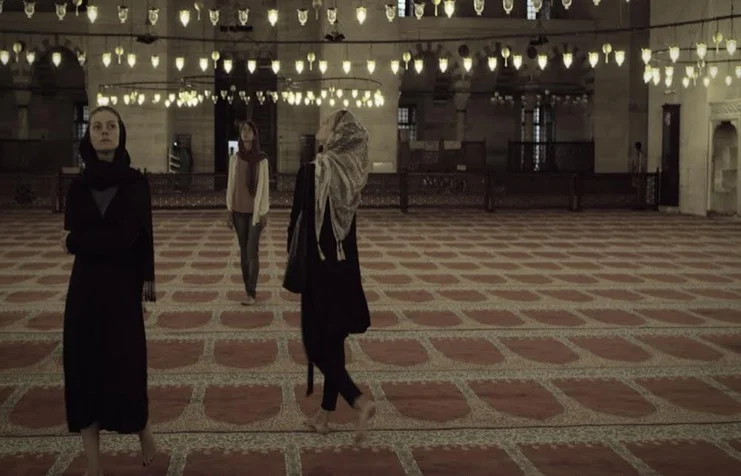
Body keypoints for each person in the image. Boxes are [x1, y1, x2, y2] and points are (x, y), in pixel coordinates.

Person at [61, 106, 158, 476]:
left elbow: (131, 238)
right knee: (83, 370)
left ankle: (143, 430)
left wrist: (77, 242)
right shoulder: (78, 186)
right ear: (89, 136)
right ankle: (94, 464)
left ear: (121, 133)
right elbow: (92, 234)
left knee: (127, 366)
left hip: (122, 290)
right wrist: (86, 240)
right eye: (97, 126)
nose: (104, 131)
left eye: (111, 126)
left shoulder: (136, 184)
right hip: (84, 291)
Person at [287, 109, 376, 442]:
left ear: (337, 135)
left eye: (327, 123)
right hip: (345, 269)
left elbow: (296, 223)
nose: (320, 126)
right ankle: (324, 416)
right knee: (334, 343)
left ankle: (358, 400)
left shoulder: (312, 172)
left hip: (318, 270)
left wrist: (292, 264)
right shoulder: (352, 174)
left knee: (315, 344)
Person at [226, 120, 270, 305]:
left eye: (249, 130)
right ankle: (247, 290)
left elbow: (264, 188)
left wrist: (264, 211)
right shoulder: (235, 159)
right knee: (244, 252)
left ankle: (252, 291)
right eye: (243, 130)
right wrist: (229, 210)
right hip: (238, 211)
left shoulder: (262, 160)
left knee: (252, 251)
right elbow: (231, 185)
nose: (245, 133)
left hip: (255, 213)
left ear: (254, 134)